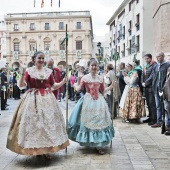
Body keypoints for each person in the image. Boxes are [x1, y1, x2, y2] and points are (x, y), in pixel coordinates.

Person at [6, 51, 69, 159]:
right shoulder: (29, 71)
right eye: (39, 58)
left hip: (47, 100)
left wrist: (63, 82)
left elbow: (53, 86)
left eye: (42, 58)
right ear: (34, 59)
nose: (41, 60)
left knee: (46, 124)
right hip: (32, 100)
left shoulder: (48, 72)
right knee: (35, 125)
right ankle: (35, 149)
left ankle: (45, 149)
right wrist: (23, 71)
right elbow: (21, 85)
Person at [68, 58, 115, 155]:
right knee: (89, 122)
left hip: (99, 102)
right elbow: (78, 89)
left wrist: (111, 86)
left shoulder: (100, 78)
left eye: (95, 65)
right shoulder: (85, 78)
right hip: (88, 102)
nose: (93, 67)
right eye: (92, 65)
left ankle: (99, 144)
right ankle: (91, 141)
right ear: (89, 67)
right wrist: (78, 80)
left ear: (97, 67)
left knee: (99, 122)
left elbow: (103, 90)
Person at [150, 52, 170, 129]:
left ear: (162, 56)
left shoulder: (167, 65)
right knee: (158, 106)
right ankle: (159, 122)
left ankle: (167, 124)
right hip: (156, 89)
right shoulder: (156, 66)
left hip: (164, 89)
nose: (157, 58)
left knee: (166, 106)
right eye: (157, 56)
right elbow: (153, 76)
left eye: (159, 56)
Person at [141, 54, 157, 125]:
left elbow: (152, 75)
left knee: (152, 103)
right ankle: (150, 117)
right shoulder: (145, 66)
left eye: (147, 59)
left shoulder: (154, 65)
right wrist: (142, 82)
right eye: (145, 59)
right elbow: (142, 75)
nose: (146, 60)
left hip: (151, 87)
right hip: (146, 87)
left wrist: (146, 83)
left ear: (151, 58)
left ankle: (154, 119)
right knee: (148, 103)